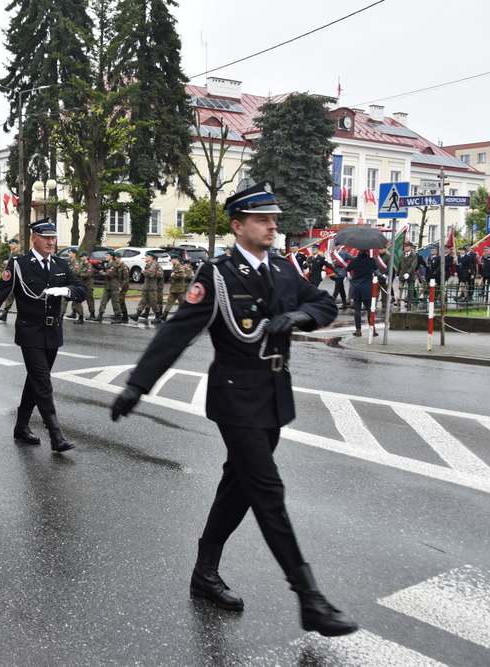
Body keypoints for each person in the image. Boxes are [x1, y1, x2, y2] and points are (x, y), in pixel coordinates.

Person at [109, 181, 357, 638]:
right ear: (238, 226)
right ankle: (310, 599)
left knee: (238, 487)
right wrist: (137, 386)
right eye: (263, 219)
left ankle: (204, 573)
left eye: (274, 219)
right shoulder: (217, 276)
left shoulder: (284, 269)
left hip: (274, 391)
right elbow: (177, 332)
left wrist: (300, 317)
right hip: (235, 394)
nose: (273, 226)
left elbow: (322, 302)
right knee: (268, 491)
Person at [0, 217, 87, 452]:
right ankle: (56, 435)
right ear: (33, 238)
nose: (51, 242)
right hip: (30, 330)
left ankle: (21, 426)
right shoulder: (18, 264)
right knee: (43, 382)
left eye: (53, 237)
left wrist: (65, 290)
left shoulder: (60, 264)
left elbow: (81, 290)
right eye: (46, 237)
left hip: (52, 330)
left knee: (35, 381)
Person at [347, 250, 380, 337]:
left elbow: (348, 268)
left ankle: (358, 330)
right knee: (369, 309)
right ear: (367, 252)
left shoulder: (354, 260)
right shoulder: (371, 260)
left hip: (356, 287)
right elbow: (376, 267)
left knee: (357, 310)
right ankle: (372, 329)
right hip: (367, 287)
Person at [0, 237, 23, 323]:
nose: (11, 245)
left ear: (17, 244)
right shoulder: (12, 253)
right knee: (10, 296)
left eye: (13, 243)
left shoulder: (19, 253)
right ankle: (5, 314)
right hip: (12, 278)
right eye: (10, 243)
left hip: (18, 278)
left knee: (19, 297)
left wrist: (9, 262)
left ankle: (20, 315)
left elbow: (19, 263)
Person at [130, 252, 163, 323]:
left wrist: (143, 272)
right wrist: (141, 273)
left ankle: (158, 317)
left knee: (154, 302)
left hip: (152, 287)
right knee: (143, 301)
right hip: (146, 286)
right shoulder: (147, 265)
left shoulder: (152, 266)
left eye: (148, 256)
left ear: (151, 258)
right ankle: (137, 315)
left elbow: (151, 274)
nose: (146, 258)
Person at [96, 250, 129, 323]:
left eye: (107, 255)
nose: (106, 256)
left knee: (115, 303)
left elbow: (109, 275)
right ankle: (100, 315)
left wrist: (102, 273)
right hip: (108, 286)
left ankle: (118, 317)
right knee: (103, 301)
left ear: (111, 256)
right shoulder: (108, 265)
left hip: (114, 287)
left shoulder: (113, 265)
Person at [160, 253, 193, 321]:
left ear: (176, 259)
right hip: (173, 288)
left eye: (172, 259)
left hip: (179, 289)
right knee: (169, 302)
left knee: (183, 303)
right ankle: (164, 315)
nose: (171, 261)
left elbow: (181, 276)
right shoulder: (175, 267)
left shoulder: (180, 267)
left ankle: (188, 316)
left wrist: (173, 275)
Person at [61, 248, 87, 324]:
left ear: (74, 254)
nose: (69, 254)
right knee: (64, 300)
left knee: (76, 302)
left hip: (74, 285)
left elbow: (76, 273)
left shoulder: (76, 263)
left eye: (70, 253)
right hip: (69, 285)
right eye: (69, 253)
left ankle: (81, 317)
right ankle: (61, 316)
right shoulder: (70, 263)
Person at [398, 242, 421, 307]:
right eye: (405, 246)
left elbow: (413, 265)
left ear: (410, 247)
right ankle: (398, 301)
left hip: (410, 274)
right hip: (402, 273)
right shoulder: (403, 254)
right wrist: (398, 274)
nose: (405, 247)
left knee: (410, 289)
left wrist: (408, 273)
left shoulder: (413, 255)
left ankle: (409, 302)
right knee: (400, 288)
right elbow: (400, 265)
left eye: (407, 246)